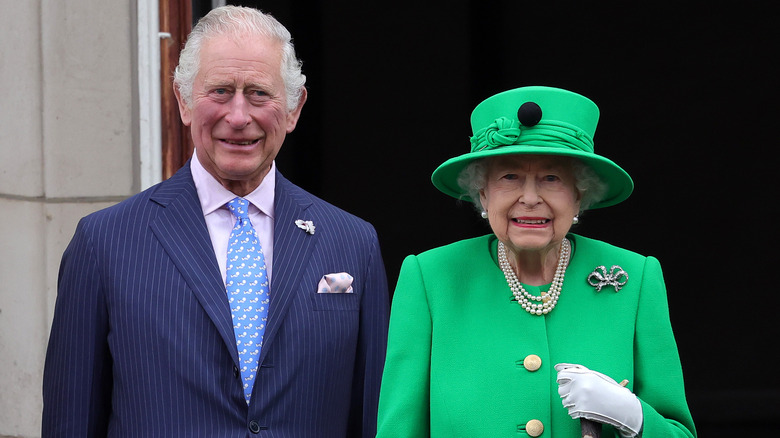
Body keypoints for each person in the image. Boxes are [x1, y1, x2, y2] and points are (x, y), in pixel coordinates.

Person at [42, 6, 389, 437]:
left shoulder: (353, 242)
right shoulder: (104, 243)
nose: (239, 116)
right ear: (183, 101)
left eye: (259, 93)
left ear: (295, 107)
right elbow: (70, 421)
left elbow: (376, 419)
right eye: (221, 91)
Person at [376, 86, 696, 437]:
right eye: (509, 177)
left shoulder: (635, 278)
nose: (530, 198)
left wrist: (634, 417)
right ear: (483, 193)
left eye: (551, 178)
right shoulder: (430, 278)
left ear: (579, 194)